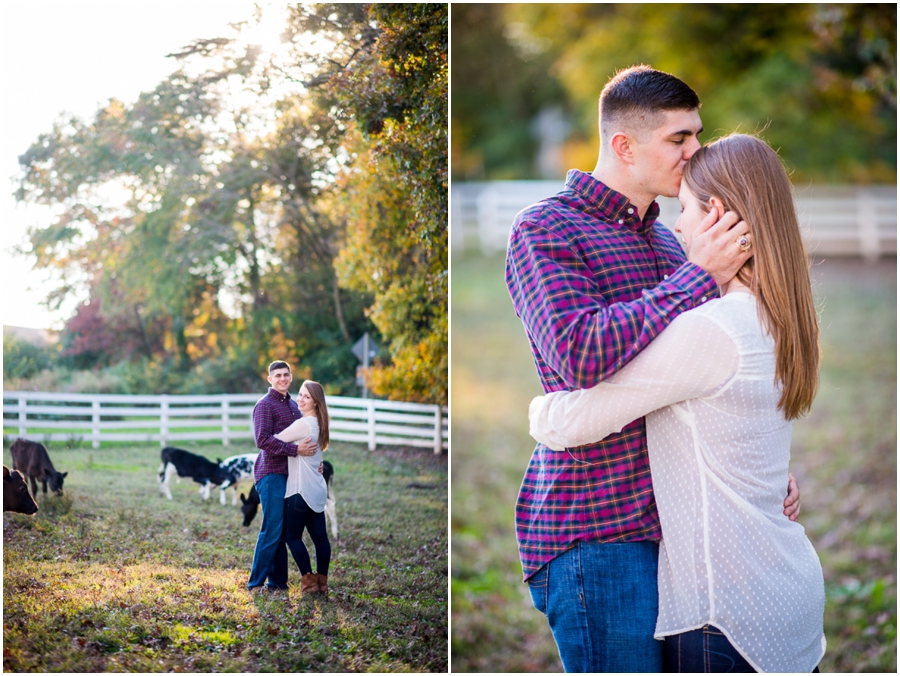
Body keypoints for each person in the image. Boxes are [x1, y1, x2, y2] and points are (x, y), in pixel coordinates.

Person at [504, 65, 800, 673]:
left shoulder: (672, 243)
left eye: (697, 135)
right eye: (679, 139)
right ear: (624, 146)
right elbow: (578, 353)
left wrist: (767, 471)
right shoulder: (547, 228)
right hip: (598, 525)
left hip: (679, 531)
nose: (696, 152)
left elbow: (719, 369)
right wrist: (699, 278)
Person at [247, 360, 317, 592]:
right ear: (270, 379)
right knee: (272, 528)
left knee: (283, 531)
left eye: (286, 374)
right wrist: (295, 451)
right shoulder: (265, 405)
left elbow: (305, 435)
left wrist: (316, 463)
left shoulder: (294, 406)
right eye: (277, 375)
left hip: (291, 476)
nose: (283, 379)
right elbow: (263, 441)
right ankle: (255, 583)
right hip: (271, 473)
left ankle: (277, 582)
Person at [274, 380, 333, 595]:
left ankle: (309, 583)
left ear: (315, 403)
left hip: (299, 490)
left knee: (292, 537)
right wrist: (297, 449)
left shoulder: (304, 424)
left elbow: (274, 441)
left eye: (306, 397)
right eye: (299, 394)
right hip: (317, 489)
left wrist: (293, 448)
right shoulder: (320, 423)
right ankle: (323, 583)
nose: (300, 399)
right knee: (320, 538)